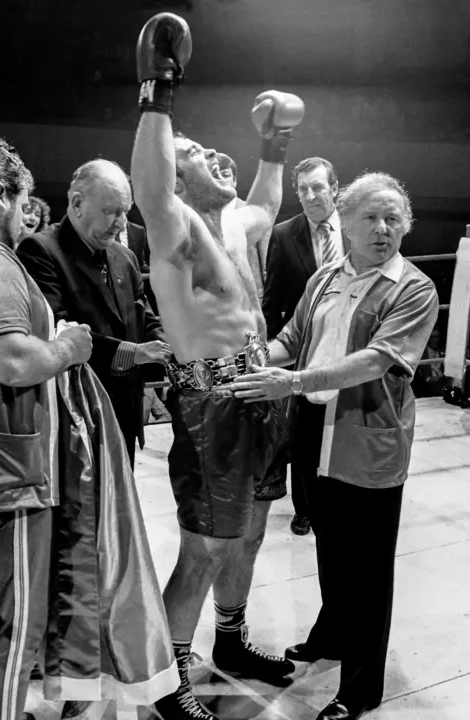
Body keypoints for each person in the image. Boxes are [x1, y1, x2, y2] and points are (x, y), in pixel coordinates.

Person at [131, 12, 305, 720]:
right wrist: (158, 95)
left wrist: (274, 143)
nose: (215, 156)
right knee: (204, 546)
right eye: (197, 152)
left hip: (262, 392)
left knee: (255, 527)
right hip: (212, 404)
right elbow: (152, 185)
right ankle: (174, 681)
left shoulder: (235, 222)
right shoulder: (176, 228)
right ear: (180, 171)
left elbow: (265, 198)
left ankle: (229, 641)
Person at [232, 171, 439, 720]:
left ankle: (360, 689)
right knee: (328, 545)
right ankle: (331, 635)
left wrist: (294, 382)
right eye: (370, 217)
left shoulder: (414, 288)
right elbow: (294, 338)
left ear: (406, 226)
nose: (382, 228)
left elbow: (377, 359)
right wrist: (260, 360)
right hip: (312, 435)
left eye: (393, 217)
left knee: (368, 567)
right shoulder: (326, 278)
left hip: (365, 442)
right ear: (344, 223)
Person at [0, 134, 92, 720]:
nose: (27, 215)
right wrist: (67, 348)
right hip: (10, 480)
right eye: (23, 200)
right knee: (10, 634)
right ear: (1, 193)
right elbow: (13, 361)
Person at [17, 159, 171, 468]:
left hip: (125, 409)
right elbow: (57, 331)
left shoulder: (125, 256)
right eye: (112, 212)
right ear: (76, 203)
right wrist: (135, 353)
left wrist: (167, 347)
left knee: (119, 512)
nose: (122, 224)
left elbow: (145, 317)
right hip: (76, 411)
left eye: (125, 212)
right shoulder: (40, 250)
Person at [262, 156, 349, 536]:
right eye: (303, 189)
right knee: (305, 432)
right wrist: (268, 350)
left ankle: (343, 497)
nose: (311, 195)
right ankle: (305, 508)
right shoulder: (283, 234)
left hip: (352, 340)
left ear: (334, 188)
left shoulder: (357, 226)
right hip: (304, 347)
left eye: (318, 187)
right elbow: (273, 298)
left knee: (347, 423)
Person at [219, 152, 270, 301]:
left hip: (252, 297)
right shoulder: (200, 217)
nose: (221, 180)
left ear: (234, 180)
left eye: (225, 175)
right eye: (215, 176)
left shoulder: (253, 213)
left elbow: (267, 264)